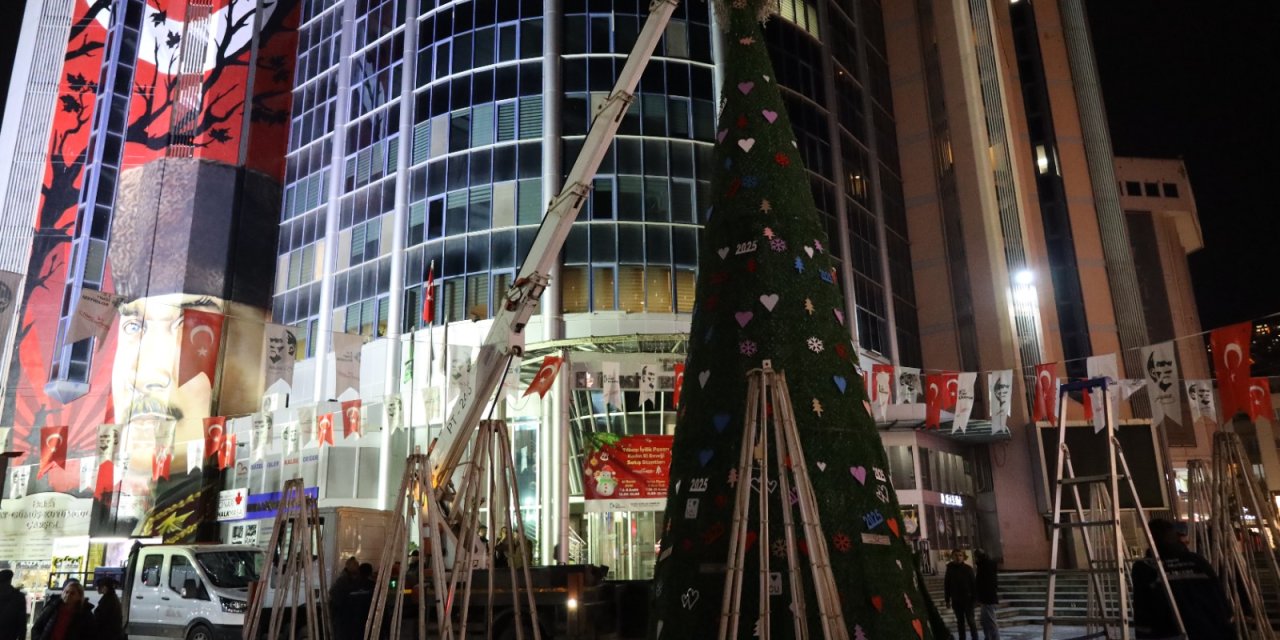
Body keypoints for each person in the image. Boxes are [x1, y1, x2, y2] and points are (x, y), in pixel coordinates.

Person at [1133, 518, 1233, 639]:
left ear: (1151, 540)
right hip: (1208, 630)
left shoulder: (1145, 567)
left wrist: (1143, 634)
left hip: (1169, 633)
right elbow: (1219, 597)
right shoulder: (1198, 561)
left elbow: (1142, 608)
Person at [944, 550, 978, 640]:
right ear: (952, 557)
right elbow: (947, 584)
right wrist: (947, 600)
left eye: (960, 555)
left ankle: (975, 638)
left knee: (971, 621)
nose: (958, 557)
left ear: (963, 557)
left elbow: (974, 585)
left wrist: (975, 599)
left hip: (968, 599)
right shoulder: (950, 569)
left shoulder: (968, 569)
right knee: (960, 622)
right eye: (956, 555)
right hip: (956, 600)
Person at [330, 557, 361, 639]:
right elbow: (335, 595)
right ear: (348, 566)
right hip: (344, 616)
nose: (357, 566)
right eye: (355, 564)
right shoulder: (343, 580)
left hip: (350, 617)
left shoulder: (354, 578)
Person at [974, 550, 1000, 640]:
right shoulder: (986, 564)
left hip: (987, 598)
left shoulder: (985, 565)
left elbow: (983, 582)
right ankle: (988, 637)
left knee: (990, 621)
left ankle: (994, 638)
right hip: (987, 597)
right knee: (985, 621)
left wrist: (978, 597)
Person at [0, 569, 28, 640]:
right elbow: (22, 621)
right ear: (10, 580)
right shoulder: (19, 597)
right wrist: (22, 637)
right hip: (10, 635)